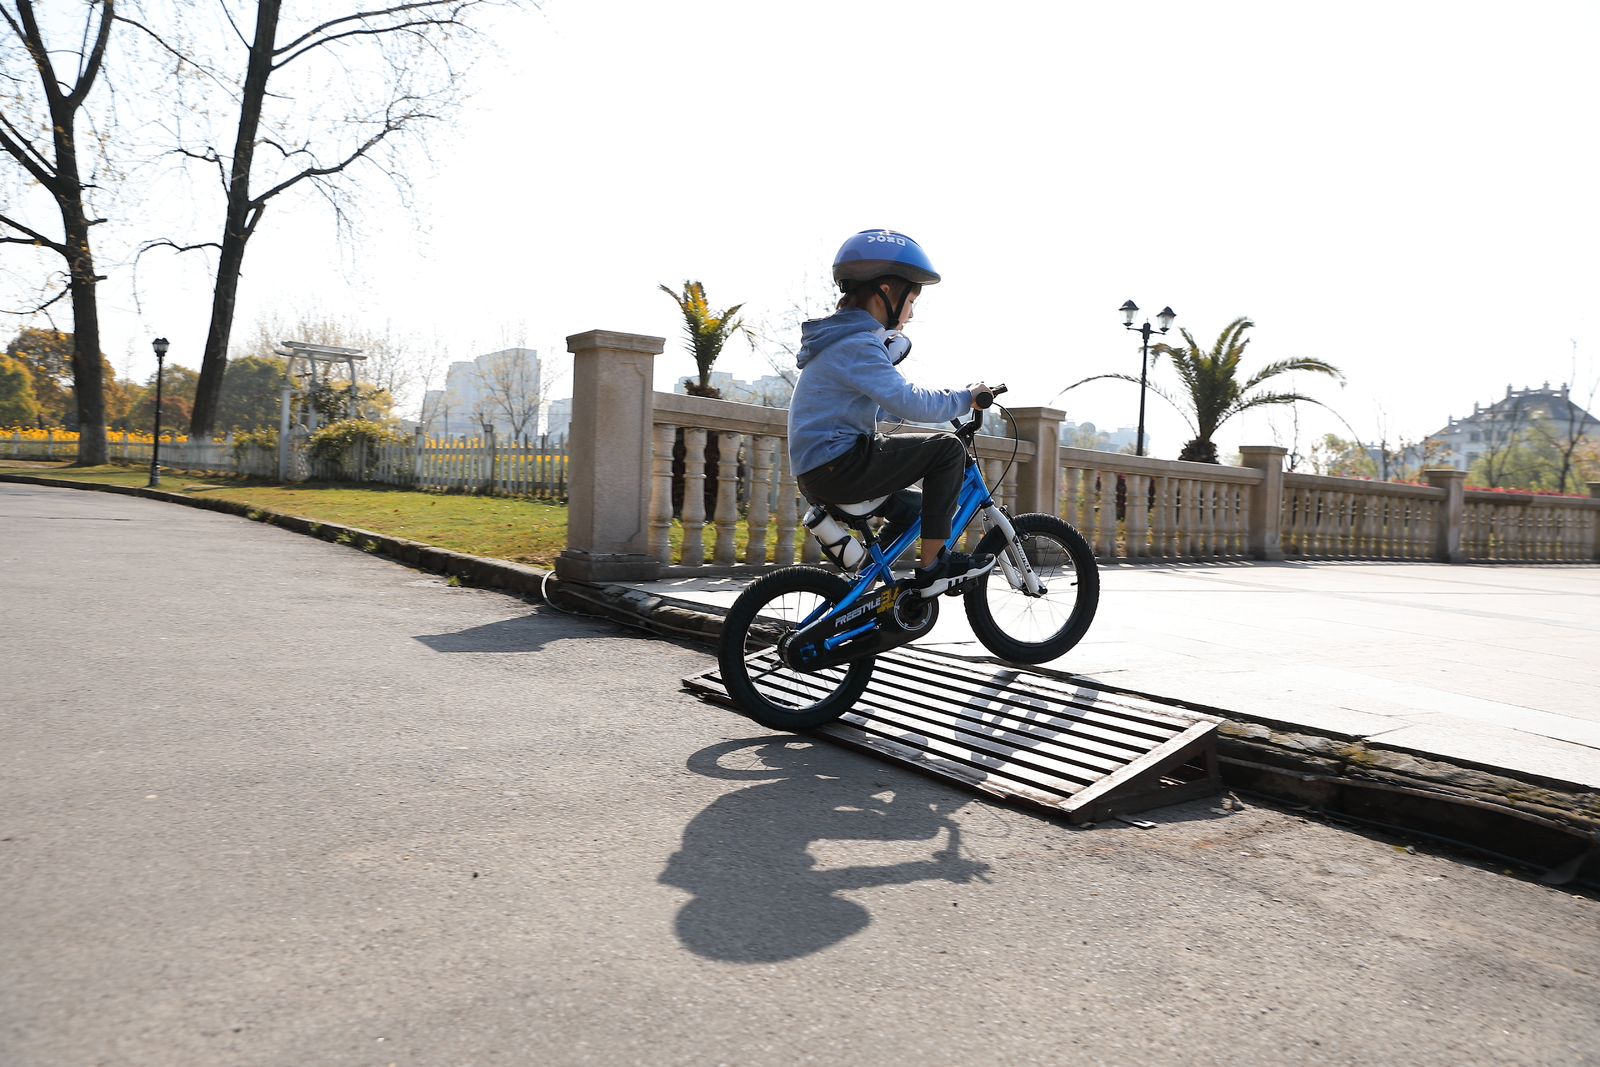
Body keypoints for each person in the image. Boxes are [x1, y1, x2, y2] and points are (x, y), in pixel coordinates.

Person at [787, 229, 995, 593]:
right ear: (887, 292)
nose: (911, 314)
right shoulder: (858, 343)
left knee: (918, 507)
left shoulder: (839, 340)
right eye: (911, 300)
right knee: (948, 449)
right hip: (840, 464)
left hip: (822, 469)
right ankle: (934, 567)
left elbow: (881, 408)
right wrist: (966, 397)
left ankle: (867, 580)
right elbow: (907, 400)